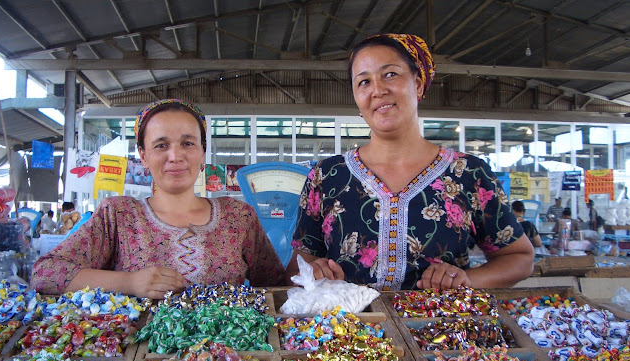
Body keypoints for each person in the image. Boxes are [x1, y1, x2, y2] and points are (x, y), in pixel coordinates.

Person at [286, 33, 534, 291]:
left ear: (417, 84)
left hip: (442, 328)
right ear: (357, 100)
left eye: (390, 74)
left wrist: (467, 280)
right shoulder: (326, 176)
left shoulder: (469, 173)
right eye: (363, 82)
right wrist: (314, 272)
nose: (378, 90)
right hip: (346, 329)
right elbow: (296, 269)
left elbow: (519, 258)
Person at [30, 99, 285, 298]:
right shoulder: (118, 216)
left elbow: (276, 287)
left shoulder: (238, 217)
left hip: (231, 360)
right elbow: (45, 273)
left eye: (188, 143)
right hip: (139, 360)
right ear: (143, 155)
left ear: (202, 152)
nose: (175, 156)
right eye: (161, 145)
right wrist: (128, 282)